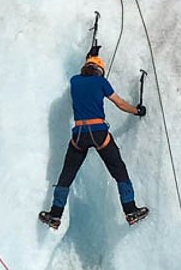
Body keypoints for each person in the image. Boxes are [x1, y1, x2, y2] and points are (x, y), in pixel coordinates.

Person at [39, 47, 149, 229]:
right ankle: (130, 211)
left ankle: (55, 215)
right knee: (118, 170)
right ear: (100, 70)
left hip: (79, 135)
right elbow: (119, 103)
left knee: (67, 175)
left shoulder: (75, 81)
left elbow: (87, 70)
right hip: (99, 133)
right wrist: (137, 110)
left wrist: (90, 57)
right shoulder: (101, 82)